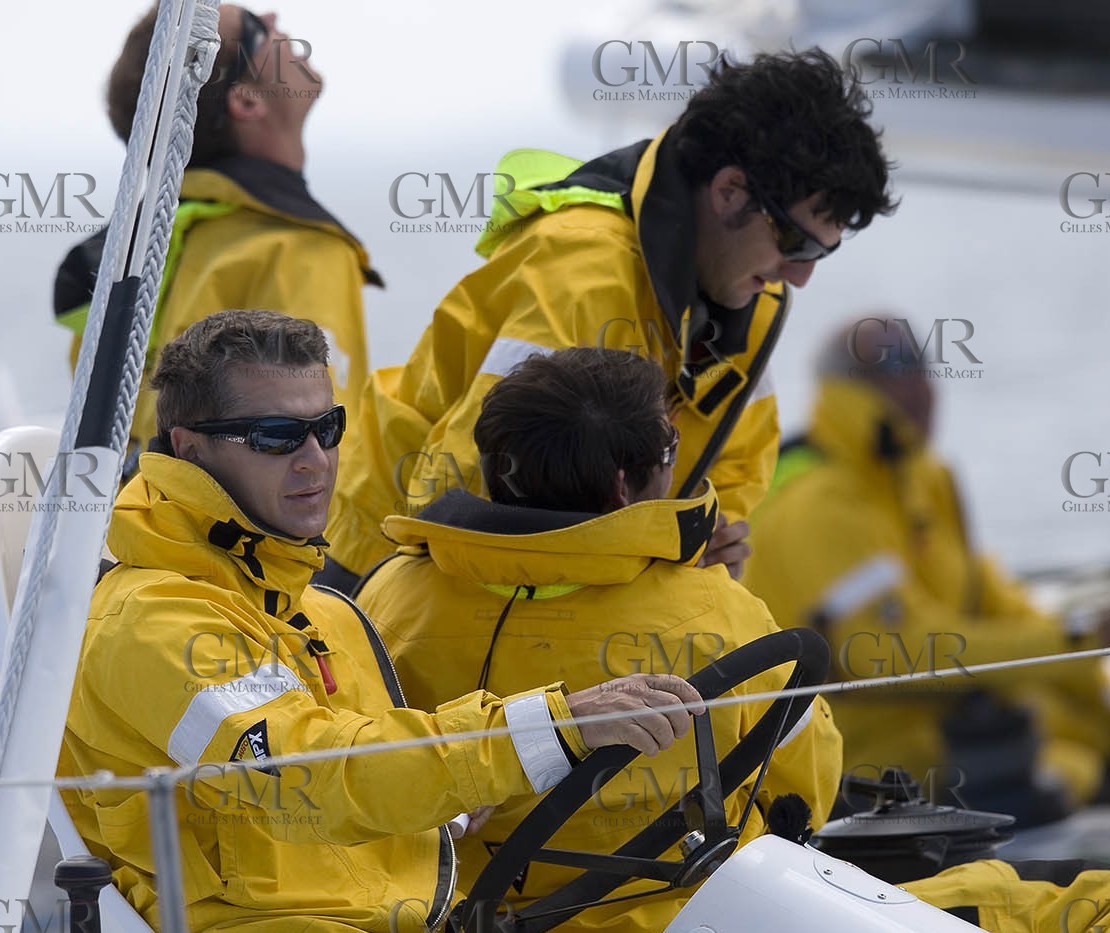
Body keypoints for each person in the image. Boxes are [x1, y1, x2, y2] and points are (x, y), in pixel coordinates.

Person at [356, 346, 1110, 933]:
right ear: (623, 488)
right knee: (1105, 906)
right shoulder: (712, 612)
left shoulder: (388, 598)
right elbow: (807, 789)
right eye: (669, 456)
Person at [57, 309, 734, 933]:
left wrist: (449, 803)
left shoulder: (325, 609)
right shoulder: (149, 621)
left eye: (328, 428)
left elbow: (359, 771)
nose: (315, 460)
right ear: (189, 448)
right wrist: (552, 727)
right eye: (276, 436)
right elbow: (311, 775)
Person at [321, 49, 898, 588]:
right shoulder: (583, 270)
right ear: (729, 191)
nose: (799, 276)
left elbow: (735, 470)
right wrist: (650, 558)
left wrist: (703, 545)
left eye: (822, 253)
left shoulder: (755, 295)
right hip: (380, 574)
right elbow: (477, 499)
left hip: (558, 597)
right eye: (796, 242)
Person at [743, 317, 1110, 826]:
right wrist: (1081, 641)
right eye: (895, 365)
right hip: (851, 768)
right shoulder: (820, 505)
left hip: (943, 737)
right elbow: (900, 652)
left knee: (1081, 745)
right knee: (1059, 765)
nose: (920, 382)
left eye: (921, 361)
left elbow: (1007, 614)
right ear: (847, 388)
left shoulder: (924, 483)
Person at [53, 5, 379, 457]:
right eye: (255, 29)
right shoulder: (298, 251)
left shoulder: (124, 259)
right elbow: (322, 459)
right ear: (247, 102)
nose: (271, 16)